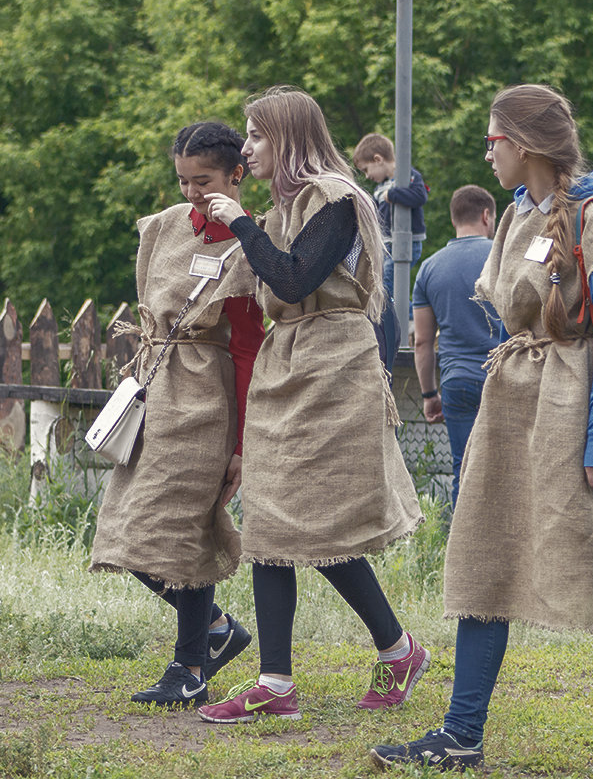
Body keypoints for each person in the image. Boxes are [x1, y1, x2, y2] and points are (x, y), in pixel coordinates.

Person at [370, 85, 593, 772]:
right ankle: (461, 734)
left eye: (493, 137)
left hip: (575, 408)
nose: (486, 149)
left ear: (523, 145)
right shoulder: (516, 214)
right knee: (485, 555)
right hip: (513, 407)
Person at [198, 87, 426, 723]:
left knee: (310, 521)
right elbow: (267, 279)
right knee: (275, 520)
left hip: (333, 361)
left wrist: (240, 222)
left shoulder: (336, 199)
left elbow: (294, 278)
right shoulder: (285, 208)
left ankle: (382, 653)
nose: (246, 148)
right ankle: (287, 680)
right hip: (288, 358)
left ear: (291, 139)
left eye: (257, 136)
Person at [88, 122, 263, 707]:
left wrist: (240, 442)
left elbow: (246, 348)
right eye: (183, 180)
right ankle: (215, 629)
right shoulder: (163, 227)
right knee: (131, 527)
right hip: (156, 388)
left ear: (237, 174)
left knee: (187, 527)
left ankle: (188, 665)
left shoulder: (249, 243)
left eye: (204, 180)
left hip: (208, 400)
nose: (191, 192)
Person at [411, 185, 502, 510]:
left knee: (464, 471)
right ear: (486, 215)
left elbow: (422, 342)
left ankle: (459, 556)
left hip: (457, 383)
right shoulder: (503, 258)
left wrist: (429, 394)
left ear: (454, 219)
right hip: (505, 380)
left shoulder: (430, 268)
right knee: (509, 474)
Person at [353, 132, 428, 369]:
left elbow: (420, 196)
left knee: (389, 282)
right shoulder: (382, 186)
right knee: (384, 282)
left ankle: (406, 321)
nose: (368, 176)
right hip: (389, 244)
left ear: (378, 159)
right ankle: (398, 320)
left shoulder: (408, 176)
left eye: (367, 170)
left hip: (408, 242)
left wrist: (392, 195)